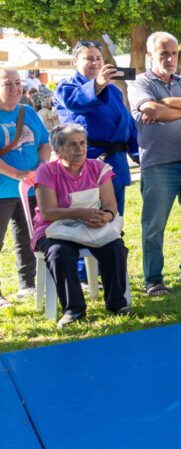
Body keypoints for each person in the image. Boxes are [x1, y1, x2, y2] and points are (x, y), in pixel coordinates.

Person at [129, 32, 181, 296]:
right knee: (154, 225)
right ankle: (153, 279)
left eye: (173, 52)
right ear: (150, 55)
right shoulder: (139, 82)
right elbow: (152, 111)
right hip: (158, 164)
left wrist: (167, 106)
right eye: (163, 53)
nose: (170, 58)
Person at [33, 124, 129, 328]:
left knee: (114, 248)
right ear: (57, 150)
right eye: (72, 144)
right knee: (59, 252)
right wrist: (81, 213)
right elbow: (49, 212)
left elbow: (111, 205)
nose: (80, 148)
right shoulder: (47, 171)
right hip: (54, 228)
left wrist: (105, 216)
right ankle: (73, 309)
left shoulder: (97, 168)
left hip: (92, 226)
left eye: (82, 143)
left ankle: (117, 304)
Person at [55, 40, 139, 212]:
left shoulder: (114, 90)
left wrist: (138, 153)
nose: (95, 63)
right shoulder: (67, 86)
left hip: (116, 163)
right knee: (89, 220)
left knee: (115, 218)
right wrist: (97, 85)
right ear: (75, 62)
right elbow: (75, 102)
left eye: (99, 58)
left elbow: (126, 123)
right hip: (87, 164)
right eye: (89, 58)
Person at [0, 69, 50, 300]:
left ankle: (27, 284)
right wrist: (18, 173)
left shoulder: (27, 111)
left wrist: (40, 166)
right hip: (3, 190)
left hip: (29, 188)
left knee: (28, 237)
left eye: (17, 83)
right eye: (7, 84)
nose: (14, 88)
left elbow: (44, 143)